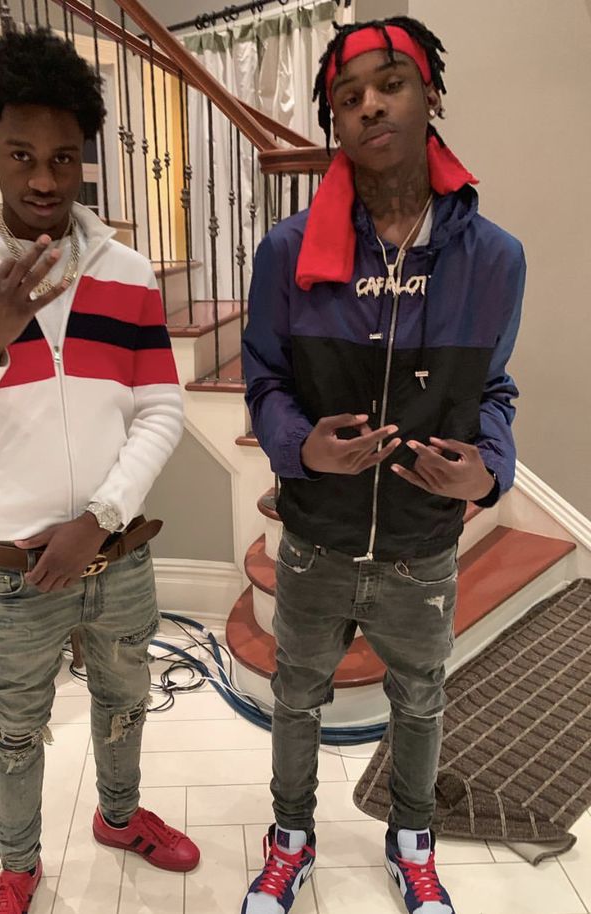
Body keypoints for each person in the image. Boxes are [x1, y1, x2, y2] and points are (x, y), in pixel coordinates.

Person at [0, 27, 199, 914]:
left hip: (117, 556)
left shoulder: (130, 270)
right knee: (18, 728)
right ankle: (18, 864)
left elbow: (162, 408)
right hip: (12, 569)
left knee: (124, 701)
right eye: (22, 154)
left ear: (86, 159)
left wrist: (100, 517)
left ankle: (118, 816)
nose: (43, 179)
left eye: (65, 157)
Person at [241, 16, 524, 914]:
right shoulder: (288, 254)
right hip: (317, 539)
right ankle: (291, 840)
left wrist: (490, 470)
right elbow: (263, 380)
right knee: (295, 699)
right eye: (347, 97)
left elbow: (496, 392)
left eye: (389, 83)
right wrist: (299, 447)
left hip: (419, 548)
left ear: (430, 94)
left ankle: (412, 843)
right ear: (335, 123)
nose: (369, 105)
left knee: (420, 701)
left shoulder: (494, 260)